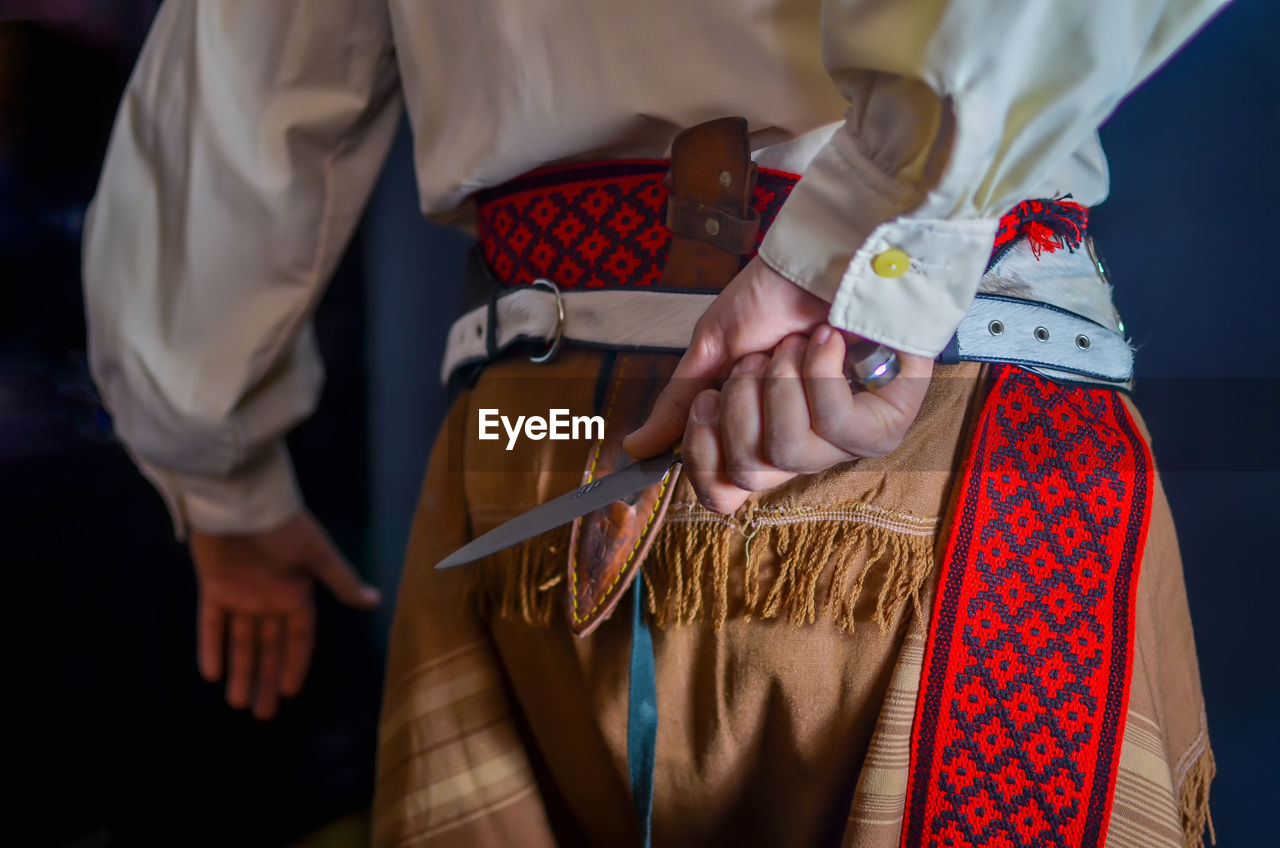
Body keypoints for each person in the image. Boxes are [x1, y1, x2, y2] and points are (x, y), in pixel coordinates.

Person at [84, 1, 1225, 845]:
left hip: (527, 447)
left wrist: (221, 477)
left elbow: (240, 87)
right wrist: (865, 266)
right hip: (947, 424)